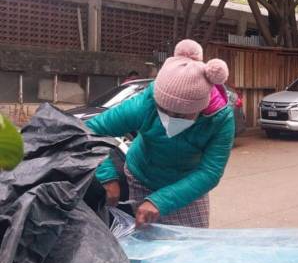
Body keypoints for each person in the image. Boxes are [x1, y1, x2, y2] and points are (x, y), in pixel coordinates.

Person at [87, 39, 235, 229]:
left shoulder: (220, 119)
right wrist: (107, 177)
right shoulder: (146, 103)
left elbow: (210, 172)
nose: (170, 117)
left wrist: (161, 201)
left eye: (182, 114)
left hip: (187, 186)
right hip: (140, 176)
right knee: (145, 245)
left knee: (192, 248)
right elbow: (90, 131)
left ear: (201, 106)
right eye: (164, 109)